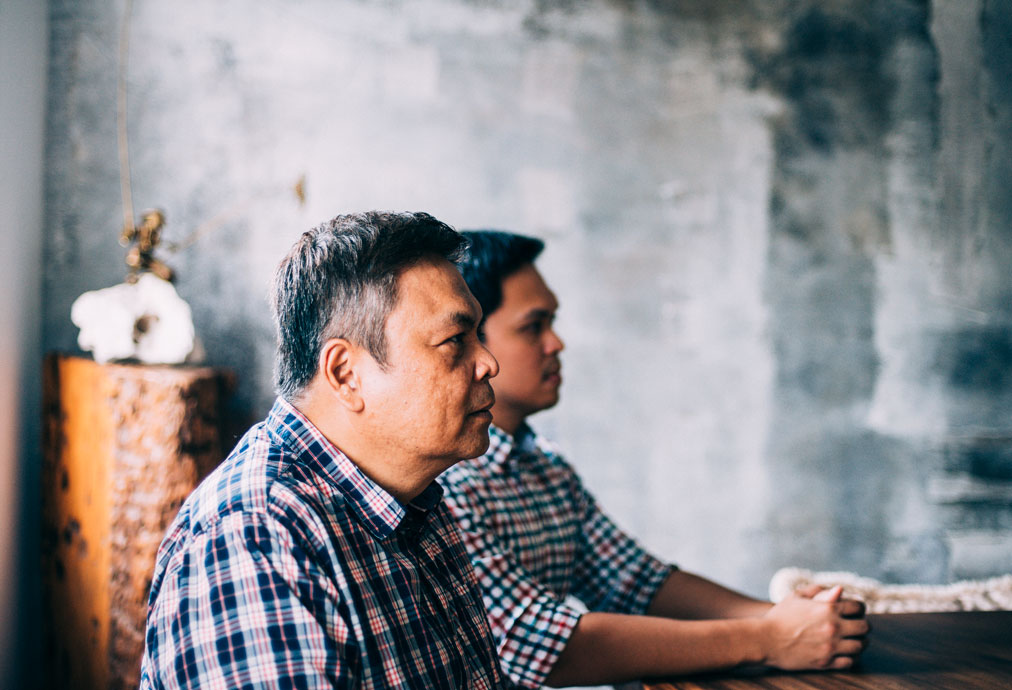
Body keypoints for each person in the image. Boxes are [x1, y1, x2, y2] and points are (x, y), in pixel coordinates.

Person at [439, 229, 870, 689]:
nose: (556, 344)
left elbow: (635, 580)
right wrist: (768, 638)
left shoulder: (544, 467)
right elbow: (546, 647)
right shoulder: (446, 484)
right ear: (472, 343)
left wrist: (788, 618)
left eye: (553, 322)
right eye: (533, 326)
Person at [140, 212, 513, 689]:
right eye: (455, 341)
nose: (488, 362)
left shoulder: (413, 502)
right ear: (345, 374)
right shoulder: (254, 540)